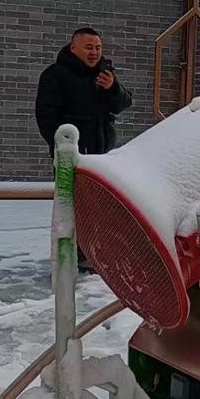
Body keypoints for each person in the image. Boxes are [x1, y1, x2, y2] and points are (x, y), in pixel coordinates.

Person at [35, 27, 132, 270]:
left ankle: (98, 254)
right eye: (89, 47)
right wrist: (61, 148)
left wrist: (113, 88)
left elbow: (124, 103)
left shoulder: (104, 74)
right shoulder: (55, 76)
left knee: (102, 207)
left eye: (98, 47)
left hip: (103, 155)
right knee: (74, 207)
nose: (94, 52)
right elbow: (46, 116)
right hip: (73, 156)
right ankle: (73, 258)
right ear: (73, 47)